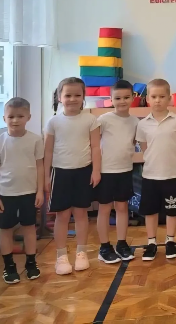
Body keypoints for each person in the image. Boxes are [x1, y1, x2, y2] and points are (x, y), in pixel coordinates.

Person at [44, 77, 101, 275]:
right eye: (68, 95)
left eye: (77, 95)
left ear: (83, 97)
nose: (72, 99)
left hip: (83, 171)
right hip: (60, 173)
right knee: (62, 215)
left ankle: (81, 252)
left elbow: (95, 147)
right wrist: (45, 177)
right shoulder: (53, 122)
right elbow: (48, 151)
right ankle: (61, 256)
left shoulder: (90, 120)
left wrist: (96, 170)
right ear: (59, 97)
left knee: (81, 214)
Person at [0, 97, 44, 284]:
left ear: (28, 117)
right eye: (11, 116)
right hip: (6, 195)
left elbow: (40, 167)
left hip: (29, 193)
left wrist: (40, 191)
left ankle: (31, 263)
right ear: (4, 118)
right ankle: (9, 267)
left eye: (20, 116)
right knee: (6, 230)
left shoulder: (35, 140)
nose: (15, 120)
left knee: (29, 228)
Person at [136, 79, 176, 261]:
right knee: (150, 211)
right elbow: (145, 148)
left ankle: (170, 241)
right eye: (154, 96)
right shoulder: (142, 124)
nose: (158, 100)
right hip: (151, 175)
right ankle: (151, 243)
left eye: (162, 96)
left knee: (172, 210)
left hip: (173, 175)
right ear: (148, 99)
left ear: (169, 98)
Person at [95, 80, 139, 264]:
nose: (122, 101)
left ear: (133, 97)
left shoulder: (135, 121)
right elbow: (94, 144)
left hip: (125, 170)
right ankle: (104, 247)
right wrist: (95, 170)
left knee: (122, 208)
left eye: (126, 97)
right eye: (118, 98)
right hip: (105, 171)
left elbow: (134, 143)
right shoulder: (103, 120)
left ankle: (122, 243)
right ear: (111, 99)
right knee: (105, 208)